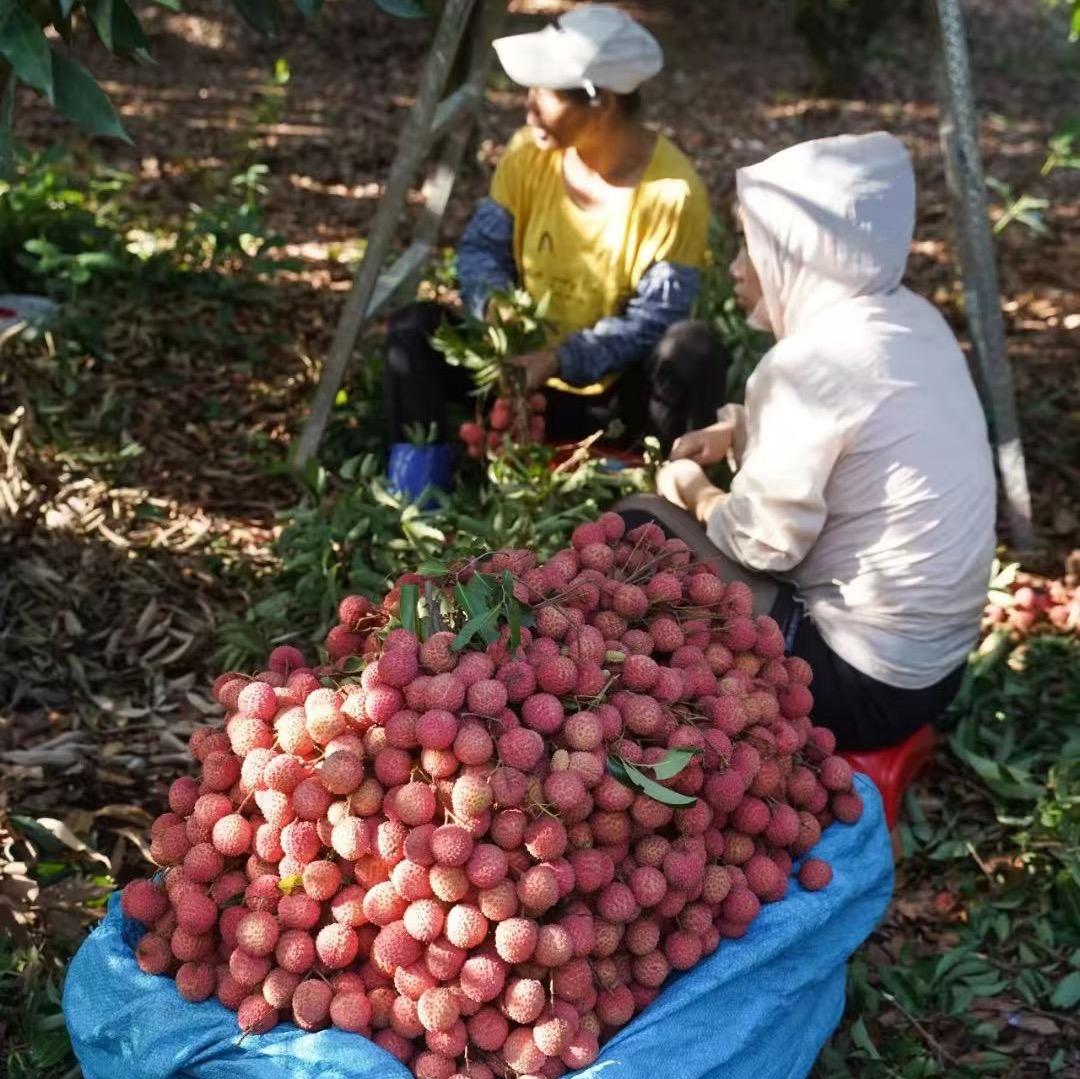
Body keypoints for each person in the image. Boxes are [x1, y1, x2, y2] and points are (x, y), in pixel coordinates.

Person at [648, 131, 996, 751]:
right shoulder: (914, 321)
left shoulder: (809, 362)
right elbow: (856, 439)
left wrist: (694, 493)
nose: (736, 268)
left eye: (751, 247)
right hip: (937, 674)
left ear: (801, 254)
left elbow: (762, 545)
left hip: (854, 686)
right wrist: (734, 430)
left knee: (639, 525)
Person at [382, 4, 726, 455]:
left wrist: (558, 360)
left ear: (602, 103)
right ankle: (418, 482)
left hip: (610, 399)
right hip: (516, 379)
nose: (528, 111)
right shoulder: (528, 154)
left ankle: (655, 475)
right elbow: (482, 248)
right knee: (413, 330)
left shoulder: (673, 193)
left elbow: (651, 323)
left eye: (544, 96)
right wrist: (494, 307)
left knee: (693, 349)